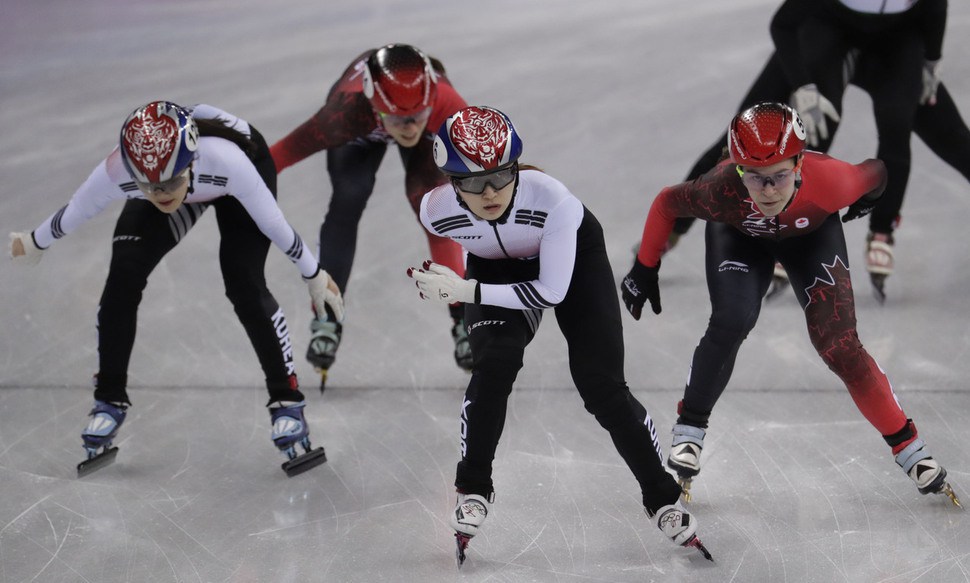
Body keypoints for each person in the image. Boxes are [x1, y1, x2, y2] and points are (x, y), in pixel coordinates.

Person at [406, 106, 713, 567]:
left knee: (601, 385)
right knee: (493, 365)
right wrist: (458, 281)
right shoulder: (435, 212)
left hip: (571, 259)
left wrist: (463, 289)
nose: (489, 192)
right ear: (451, 182)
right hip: (494, 266)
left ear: (515, 168)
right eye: (472, 182)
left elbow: (551, 290)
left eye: (500, 176)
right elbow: (455, 245)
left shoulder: (553, 200)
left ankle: (663, 496)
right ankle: (472, 487)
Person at [621, 102, 960, 508]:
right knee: (732, 319)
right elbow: (666, 203)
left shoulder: (834, 180)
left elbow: (878, 172)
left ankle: (908, 446)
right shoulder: (720, 188)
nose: (768, 191)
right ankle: (691, 427)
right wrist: (645, 267)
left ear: (800, 163)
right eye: (756, 178)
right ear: (737, 168)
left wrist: (872, 201)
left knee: (839, 345)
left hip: (810, 237)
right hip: (740, 239)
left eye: (780, 176)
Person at [8, 101, 344, 477]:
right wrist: (34, 242)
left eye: (169, 183)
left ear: (191, 161)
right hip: (191, 178)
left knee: (243, 281)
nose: (160, 194)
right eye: (148, 186)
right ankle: (108, 400)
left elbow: (273, 224)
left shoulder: (228, 162)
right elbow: (76, 210)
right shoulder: (121, 170)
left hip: (236, 182)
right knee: (123, 277)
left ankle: (286, 399)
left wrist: (313, 274)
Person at [667, 0, 958, 302]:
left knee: (918, 130)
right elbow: (782, 23)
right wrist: (803, 86)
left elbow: (936, 6)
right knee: (754, 135)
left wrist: (931, 60)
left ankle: (882, 230)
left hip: (897, 45)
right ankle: (684, 228)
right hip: (829, 31)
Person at [271, 43, 471, 388]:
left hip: (415, 122)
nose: (408, 128)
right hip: (360, 130)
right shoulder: (345, 113)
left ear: (432, 100)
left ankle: (462, 318)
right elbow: (279, 156)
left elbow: (489, 161)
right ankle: (327, 318)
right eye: (397, 119)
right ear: (375, 106)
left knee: (435, 210)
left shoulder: (446, 105)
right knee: (349, 198)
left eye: (417, 117)